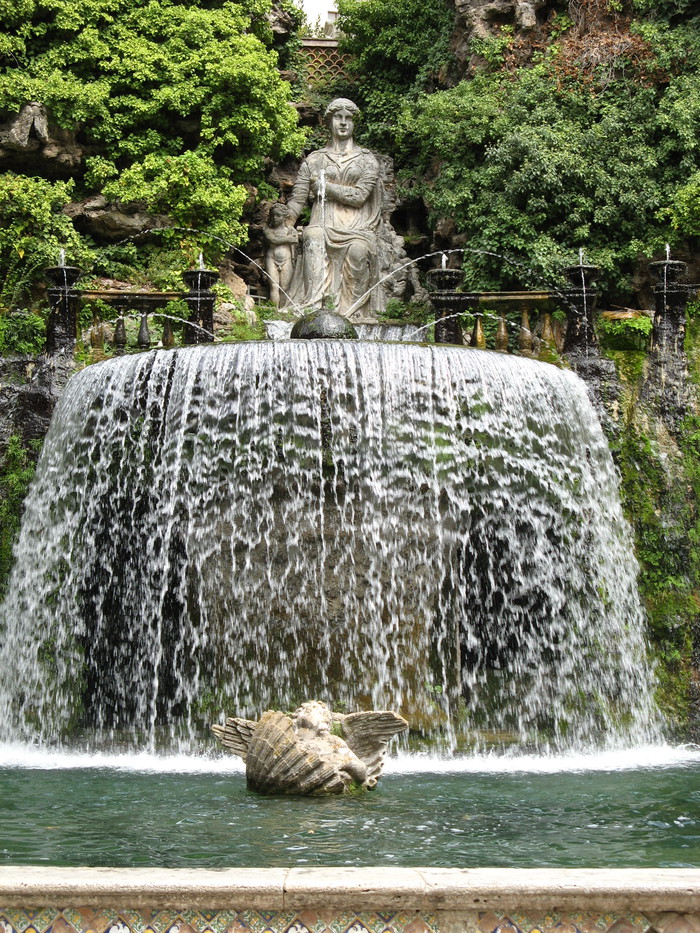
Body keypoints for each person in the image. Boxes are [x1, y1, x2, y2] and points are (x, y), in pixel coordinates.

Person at [285, 98, 382, 321]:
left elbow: (359, 197)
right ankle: (313, 307)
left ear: (355, 123)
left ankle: (353, 312)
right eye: (339, 117)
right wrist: (285, 224)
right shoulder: (315, 159)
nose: (343, 123)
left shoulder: (367, 160)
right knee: (313, 237)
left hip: (357, 227)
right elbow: (298, 199)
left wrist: (325, 187)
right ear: (329, 122)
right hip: (323, 223)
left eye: (348, 118)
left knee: (358, 250)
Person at [263, 203, 298, 308]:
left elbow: (295, 241)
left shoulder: (291, 230)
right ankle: (274, 311)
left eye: (278, 215)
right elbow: (273, 240)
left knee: (285, 287)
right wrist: (288, 239)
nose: (275, 218)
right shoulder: (268, 230)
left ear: (285, 217)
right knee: (274, 286)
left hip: (286, 259)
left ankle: (282, 311)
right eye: (273, 215)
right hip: (271, 259)